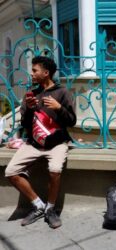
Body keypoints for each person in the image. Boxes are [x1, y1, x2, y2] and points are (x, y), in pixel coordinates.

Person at [5, 56, 77, 228]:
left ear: (46, 73)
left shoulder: (62, 93)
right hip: (34, 144)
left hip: (57, 143)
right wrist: (29, 110)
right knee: (11, 171)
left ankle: (51, 209)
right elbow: (24, 124)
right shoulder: (31, 95)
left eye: (35, 70)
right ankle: (38, 206)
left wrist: (59, 108)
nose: (32, 74)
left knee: (54, 169)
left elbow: (72, 121)